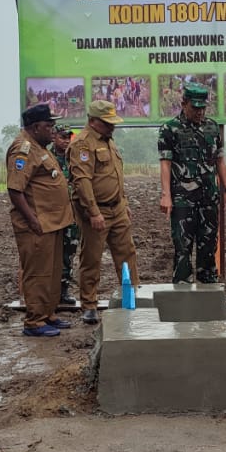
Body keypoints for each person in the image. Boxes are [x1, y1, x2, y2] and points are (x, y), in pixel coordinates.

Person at [69, 100, 140, 325]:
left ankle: (132, 298)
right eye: (107, 123)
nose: (112, 127)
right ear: (93, 121)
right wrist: (93, 212)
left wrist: (124, 202)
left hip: (117, 208)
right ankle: (89, 305)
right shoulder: (82, 144)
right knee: (92, 258)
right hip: (96, 211)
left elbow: (115, 176)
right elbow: (82, 181)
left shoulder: (109, 141)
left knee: (127, 253)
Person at [7, 104, 75, 337]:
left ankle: (48, 314)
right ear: (36, 127)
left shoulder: (39, 147)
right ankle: (34, 321)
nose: (53, 131)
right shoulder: (23, 149)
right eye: (49, 126)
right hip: (37, 224)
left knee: (53, 272)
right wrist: (32, 220)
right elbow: (15, 190)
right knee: (37, 273)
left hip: (52, 222)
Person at [157, 82, 226, 283]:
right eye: (195, 107)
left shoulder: (212, 127)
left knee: (209, 245)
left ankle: (207, 288)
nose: (199, 112)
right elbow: (165, 163)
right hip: (183, 199)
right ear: (184, 104)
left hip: (209, 197)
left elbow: (220, 161)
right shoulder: (170, 129)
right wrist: (166, 195)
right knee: (183, 247)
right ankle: (182, 292)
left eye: (202, 108)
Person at [50, 123, 80, 305]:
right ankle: (50, 291)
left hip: (72, 213)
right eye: (62, 137)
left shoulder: (74, 158)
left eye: (69, 137)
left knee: (69, 252)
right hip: (53, 214)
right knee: (52, 253)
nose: (66, 141)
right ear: (54, 137)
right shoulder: (47, 158)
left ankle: (63, 290)